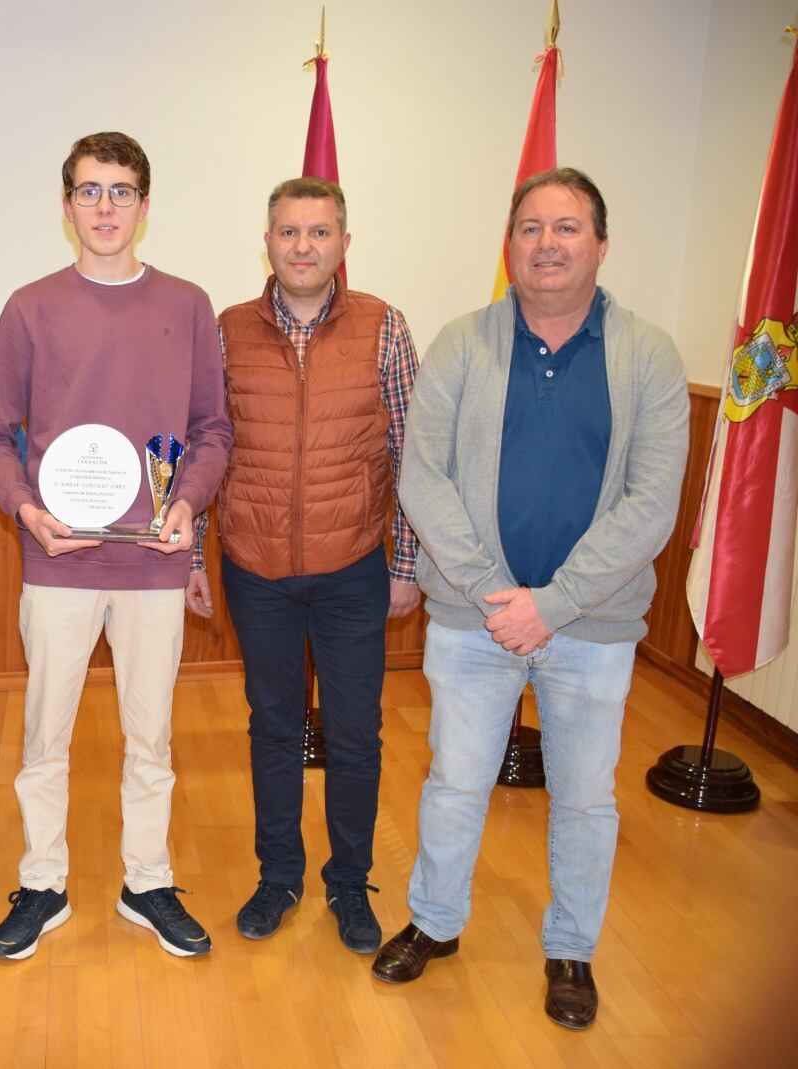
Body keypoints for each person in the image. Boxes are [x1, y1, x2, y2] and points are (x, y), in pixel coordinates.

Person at [375, 167, 688, 1029]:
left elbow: (652, 503)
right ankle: (435, 924)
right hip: (474, 619)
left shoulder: (648, 355)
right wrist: (490, 590)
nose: (546, 243)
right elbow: (422, 477)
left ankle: (571, 949)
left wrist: (552, 604)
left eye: (567, 227)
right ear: (508, 245)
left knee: (586, 795)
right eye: (529, 228)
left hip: (594, 625)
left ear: (601, 244)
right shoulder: (462, 342)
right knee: (453, 782)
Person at [0, 132, 233, 960]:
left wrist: (188, 502)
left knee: (151, 739)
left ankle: (146, 880)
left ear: (145, 206)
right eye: (89, 191)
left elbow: (212, 431)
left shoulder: (189, 305)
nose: (105, 208)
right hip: (59, 558)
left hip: (153, 562)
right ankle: (43, 881)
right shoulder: (29, 307)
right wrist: (24, 509)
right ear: (66, 205)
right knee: (44, 737)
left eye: (121, 191)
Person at [185, 176, 419, 955]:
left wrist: (406, 561)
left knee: (356, 734)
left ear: (344, 244)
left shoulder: (384, 328)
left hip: (354, 566)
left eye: (319, 233)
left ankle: (349, 883)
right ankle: (279, 874)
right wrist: (192, 553)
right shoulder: (225, 331)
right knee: (274, 727)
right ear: (269, 242)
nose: (303, 247)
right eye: (289, 232)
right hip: (256, 567)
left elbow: (411, 452)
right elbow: (202, 449)